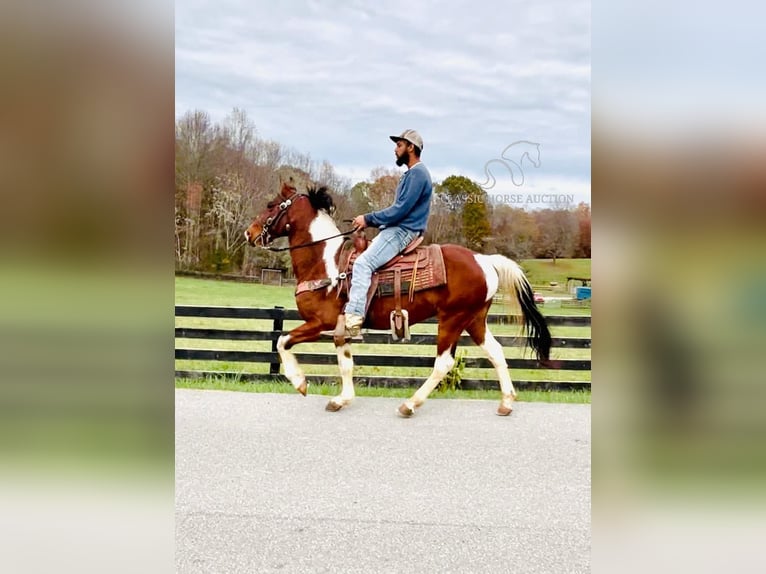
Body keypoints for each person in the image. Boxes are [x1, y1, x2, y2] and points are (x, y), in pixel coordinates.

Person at [344, 129, 433, 337]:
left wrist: (367, 219)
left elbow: (399, 210)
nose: (395, 150)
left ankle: (353, 319)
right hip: (396, 229)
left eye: (399, 145)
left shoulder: (418, 174)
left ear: (411, 147)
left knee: (363, 264)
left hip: (402, 231)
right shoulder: (411, 174)